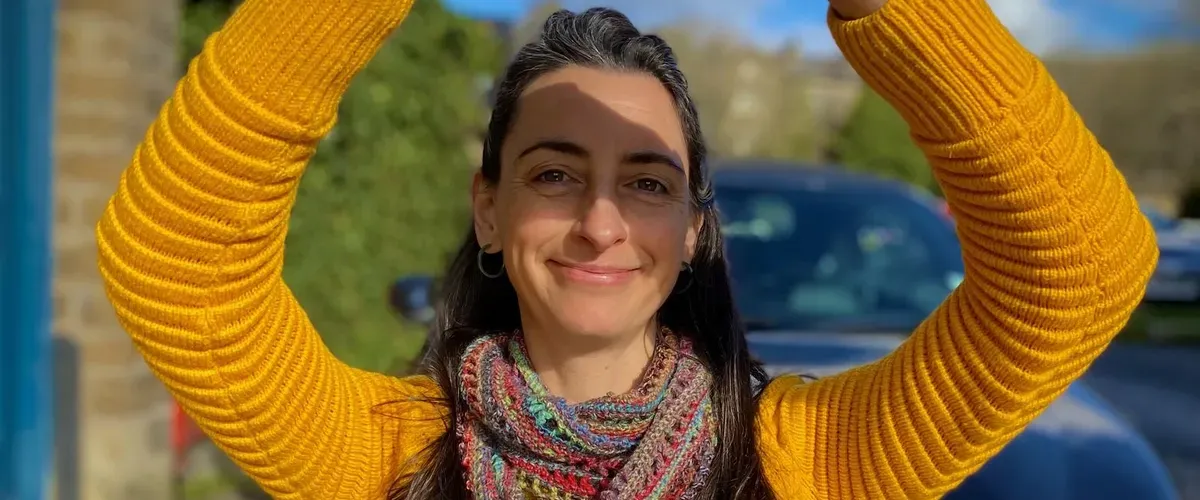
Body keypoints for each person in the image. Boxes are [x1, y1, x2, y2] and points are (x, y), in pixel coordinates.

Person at [94, 0, 1158, 497]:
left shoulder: (806, 457)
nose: (602, 221)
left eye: (647, 183)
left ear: (693, 229)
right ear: (488, 211)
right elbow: (174, 260)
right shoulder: (380, 451)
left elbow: (1082, 263)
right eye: (555, 172)